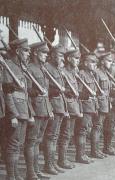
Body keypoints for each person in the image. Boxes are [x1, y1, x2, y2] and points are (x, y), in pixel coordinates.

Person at [2, 38, 34, 180]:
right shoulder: (7, 66)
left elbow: (25, 93)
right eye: (26, 50)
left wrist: (30, 113)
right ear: (17, 51)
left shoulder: (20, 67)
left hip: (23, 111)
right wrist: (13, 115)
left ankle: (15, 174)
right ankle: (11, 176)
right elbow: (7, 92)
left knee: (19, 145)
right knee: (13, 145)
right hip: (15, 112)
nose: (28, 53)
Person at [25, 41, 53, 179]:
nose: (46, 55)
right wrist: (30, 112)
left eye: (47, 53)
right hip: (35, 109)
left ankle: (36, 171)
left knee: (37, 141)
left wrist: (50, 109)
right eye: (43, 52)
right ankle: (30, 173)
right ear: (35, 53)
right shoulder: (29, 69)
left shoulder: (42, 69)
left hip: (45, 109)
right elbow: (27, 91)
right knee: (31, 141)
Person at [43, 45, 67, 174]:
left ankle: (52, 163)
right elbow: (45, 89)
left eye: (63, 56)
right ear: (52, 55)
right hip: (52, 104)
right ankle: (48, 165)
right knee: (50, 136)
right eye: (60, 55)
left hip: (60, 105)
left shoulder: (57, 69)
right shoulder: (47, 68)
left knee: (55, 136)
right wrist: (56, 91)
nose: (62, 58)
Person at [57, 48, 82, 169]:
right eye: (76, 58)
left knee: (68, 133)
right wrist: (70, 92)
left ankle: (63, 158)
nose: (78, 61)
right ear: (68, 59)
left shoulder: (73, 72)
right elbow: (61, 89)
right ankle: (62, 160)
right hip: (66, 106)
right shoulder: (62, 72)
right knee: (65, 134)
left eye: (78, 58)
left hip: (73, 106)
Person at [91, 52, 115, 158]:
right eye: (108, 61)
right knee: (97, 127)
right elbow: (94, 91)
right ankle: (95, 151)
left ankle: (106, 148)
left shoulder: (106, 73)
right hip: (100, 104)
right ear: (102, 61)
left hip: (107, 104)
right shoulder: (97, 73)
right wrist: (96, 105)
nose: (111, 63)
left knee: (107, 127)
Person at [76, 53, 98, 163]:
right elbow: (79, 93)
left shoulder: (91, 74)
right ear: (85, 63)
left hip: (91, 106)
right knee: (82, 131)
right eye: (92, 62)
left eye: (95, 62)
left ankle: (83, 154)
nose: (95, 64)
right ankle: (80, 155)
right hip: (84, 106)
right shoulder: (82, 74)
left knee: (85, 130)